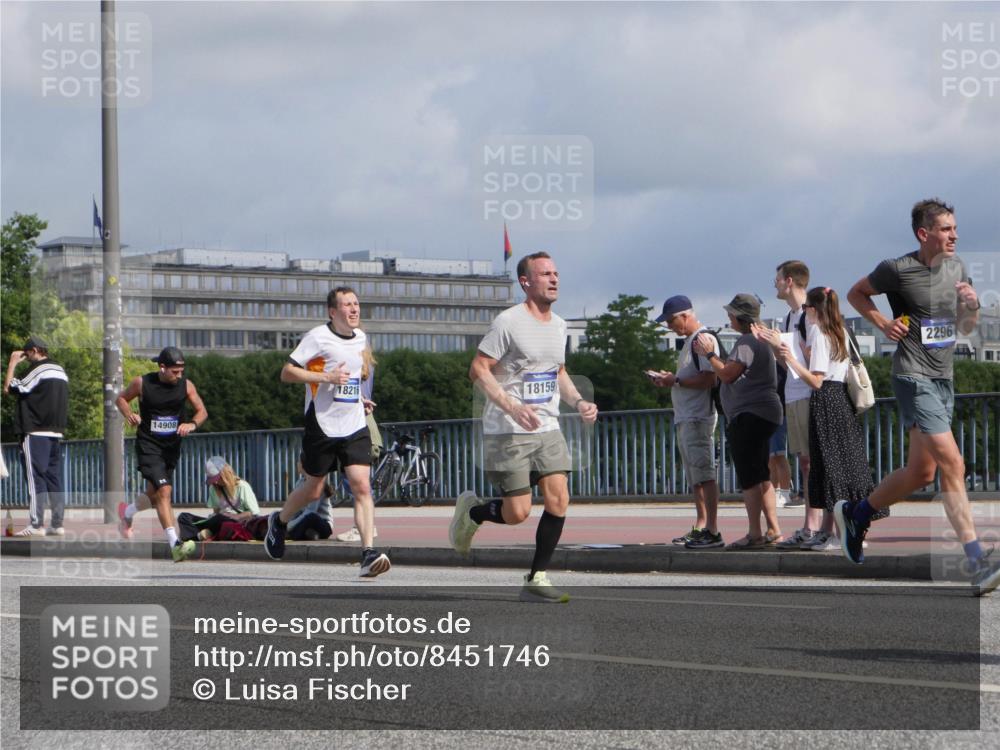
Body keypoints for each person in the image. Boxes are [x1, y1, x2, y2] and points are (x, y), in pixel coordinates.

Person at [841, 198, 999, 594]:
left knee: (922, 472)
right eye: (946, 229)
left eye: (955, 228)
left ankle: (858, 513)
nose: (955, 235)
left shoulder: (958, 269)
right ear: (923, 233)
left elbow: (965, 327)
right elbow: (856, 293)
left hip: (943, 376)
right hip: (912, 376)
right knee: (953, 464)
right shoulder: (897, 269)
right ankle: (977, 560)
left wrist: (972, 306)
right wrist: (881, 322)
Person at [451, 251, 598, 602]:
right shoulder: (508, 322)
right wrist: (512, 406)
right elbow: (478, 369)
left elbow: (557, 372)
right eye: (545, 273)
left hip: (547, 426)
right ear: (525, 281)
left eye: (556, 273)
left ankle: (536, 578)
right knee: (517, 513)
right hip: (508, 428)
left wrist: (578, 402)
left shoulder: (560, 325)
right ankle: (472, 512)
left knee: (558, 498)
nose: (554, 279)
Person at [263, 286, 389, 578]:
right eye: (347, 305)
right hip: (322, 423)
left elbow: (353, 378)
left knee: (361, 485)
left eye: (356, 303)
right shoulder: (318, 337)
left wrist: (359, 398)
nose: (354, 309)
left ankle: (368, 553)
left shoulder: (362, 338)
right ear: (333, 311)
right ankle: (279, 522)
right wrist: (326, 377)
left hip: (354, 423)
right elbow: (287, 372)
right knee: (314, 489)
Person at [770, 287, 886, 551]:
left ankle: (835, 533)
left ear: (813, 309)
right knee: (845, 464)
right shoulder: (840, 332)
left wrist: (791, 358)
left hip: (825, 402)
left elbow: (816, 380)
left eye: (807, 309)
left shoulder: (821, 334)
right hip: (841, 400)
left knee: (830, 466)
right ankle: (845, 528)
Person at [694, 294, 783, 549]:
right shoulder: (764, 337)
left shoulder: (746, 341)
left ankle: (754, 533)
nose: (728, 317)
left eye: (731, 314)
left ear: (740, 317)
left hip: (749, 414)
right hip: (767, 412)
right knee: (762, 474)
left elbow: (728, 374)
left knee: (750, 478)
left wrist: (709, 354)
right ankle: (773, 529)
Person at [115, 346, 207, 562]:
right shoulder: (142, 383)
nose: (179, 375)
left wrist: (192, 424)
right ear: (162, 367)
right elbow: (121, 399)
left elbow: (202, 411)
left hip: (171, 448)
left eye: (181, 371)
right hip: (149, 445)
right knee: (164, 491)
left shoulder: (186, 386)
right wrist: (129, 413)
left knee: (155, 496)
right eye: (175, 371)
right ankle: (175, 543)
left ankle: (127, 513)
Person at [648, 295, 723, 549]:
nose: (670, 326)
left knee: (704, 472)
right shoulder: (689, 341)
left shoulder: (703, 339)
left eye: (671, 320)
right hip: (686, 416)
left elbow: (709, 379)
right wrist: (670, 379)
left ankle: (712, 528)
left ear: (685, 315)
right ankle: (701, 525)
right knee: (695, 475)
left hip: (698, 416)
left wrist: (676, 381)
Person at [4, 337, 69, 537]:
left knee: (35, 478)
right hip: (55, 432)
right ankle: (57, 524)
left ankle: (36, 524)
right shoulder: (60, 371)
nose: (27, 357)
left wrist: (13, 362)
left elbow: (9, 388)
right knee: (54, 479)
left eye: (27, 354)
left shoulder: (38, 369)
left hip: (35, 431)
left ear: (34, 350)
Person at [772, 261, 812, 519]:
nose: (774, 284)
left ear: (789, 281)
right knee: (804, 461)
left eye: (777, 279)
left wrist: (782, 349)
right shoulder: (789, 317)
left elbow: (815, 361)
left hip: (810, 393)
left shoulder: (811, 314)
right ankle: (811, 522)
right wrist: (774, 346)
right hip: (793, 392)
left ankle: (818, 522)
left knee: (813, 461)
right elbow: (787, 362)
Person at [335, 344, 380, 543]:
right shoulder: (367, 365)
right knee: (358, 480)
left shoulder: (349, 366)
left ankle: (363, 526)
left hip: (352, 422)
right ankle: (364, 525)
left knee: (353, 479)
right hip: (364, 422)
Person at [177, 456, 261, 541]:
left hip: (235, 522)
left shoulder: (242, 486)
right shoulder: (213, 488)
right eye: (213, 479)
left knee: (224, 521)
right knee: (183, 517)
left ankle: (200, 535)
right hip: (218, 521)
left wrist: (235, 516)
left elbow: (253, 513)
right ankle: (200, 535)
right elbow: (216, 512)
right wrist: (214, 518)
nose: (215, 482)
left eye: (217, 478)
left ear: (225, 474)